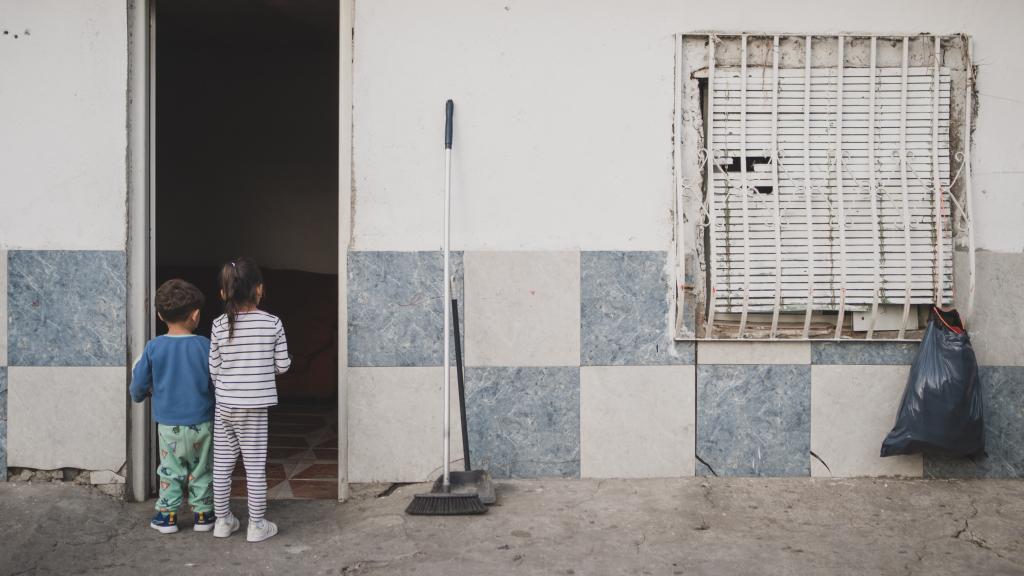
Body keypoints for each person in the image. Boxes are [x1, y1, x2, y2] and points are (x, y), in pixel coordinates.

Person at [209, 257, 291, 542]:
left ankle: (222, 521)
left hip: (224, 406)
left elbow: (214, 369)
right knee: (254, 467)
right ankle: (256, 525)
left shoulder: (218, 324)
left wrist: (228, 388)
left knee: (222, 465)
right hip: (254, 409)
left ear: (223, 293)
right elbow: (282, 366)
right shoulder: (272, 323)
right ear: (260, 289)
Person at [130, 279, 216, 534]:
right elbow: (216, 382)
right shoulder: (205, 346)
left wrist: (138, 395)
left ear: (159, 315)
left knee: (170, 470)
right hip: (202, 423)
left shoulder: (153, 347)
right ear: (196, 314)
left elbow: (139, 383)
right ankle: (203, 514)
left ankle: (167, 517)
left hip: (169, 426)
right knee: (202, 469)